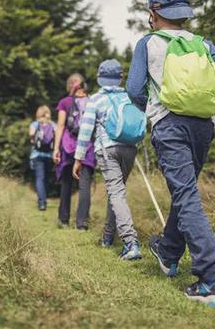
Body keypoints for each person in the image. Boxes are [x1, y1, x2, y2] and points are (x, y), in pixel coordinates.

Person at [127, 0, 215, 309]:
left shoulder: (148, 43)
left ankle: (213, 280)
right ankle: (168, 252)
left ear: (153, 13)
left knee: (186, 195)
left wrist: (152, 109)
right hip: (203, 125)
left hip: (170, 124)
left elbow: (134, 89)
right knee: (186, 191)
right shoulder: (202, 43)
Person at [73, 59, 144, 260]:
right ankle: (107, 237)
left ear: (100, 78)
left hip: (107, 149)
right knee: (117, 192)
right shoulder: (129, 97)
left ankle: (130, 242)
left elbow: (85, 131)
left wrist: (78, 159)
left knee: (116, 193)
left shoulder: (95, 99)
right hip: (129, 149)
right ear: (120, 78)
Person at [53, 73, 95, 230]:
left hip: (67, 145)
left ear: (69, 86)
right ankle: (82, 223)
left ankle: (64, 219)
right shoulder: (91, 101)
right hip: (87, 146)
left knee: (66, 183)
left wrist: (56, 148)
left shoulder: (64, 102)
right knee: (84, 184)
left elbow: (61, 126)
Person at [29, 106, 56, 211]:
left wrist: (33, 140)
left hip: (37, 154)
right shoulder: (52, 124)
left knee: (39, 178)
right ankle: (44, 199)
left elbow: (31, 134)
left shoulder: (35, 124)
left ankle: (41, 203)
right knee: (46, 178)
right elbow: (58, 134)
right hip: (49, 155)